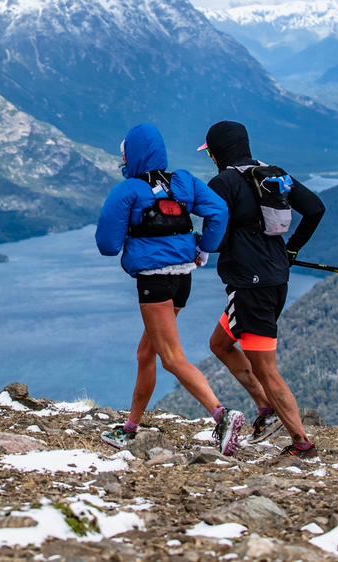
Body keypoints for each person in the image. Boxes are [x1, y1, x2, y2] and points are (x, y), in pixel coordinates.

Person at [95, 123, 243, 455]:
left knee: (172, 358)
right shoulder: (184, 181)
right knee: (146, 353)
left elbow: (107, 243)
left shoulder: (129, 190)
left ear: (132, 154)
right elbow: (218, 210)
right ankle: (130, 427)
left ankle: (222, 415)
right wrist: (205, 248)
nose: (122, 159)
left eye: (124, 154)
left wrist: (130, 239)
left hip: (154, 281)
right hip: (182, 279)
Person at [200, 120, 325, 458]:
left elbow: (219, 237)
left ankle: (302, 443)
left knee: (267, 369)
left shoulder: (222, 183)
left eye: (210, 151)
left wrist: (197, 245)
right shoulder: (271, 174)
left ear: (216, 152)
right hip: (274, 278)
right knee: (221, 343)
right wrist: (292, 250)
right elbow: (315, 208)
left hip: (249, 286)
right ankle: (266, 410)